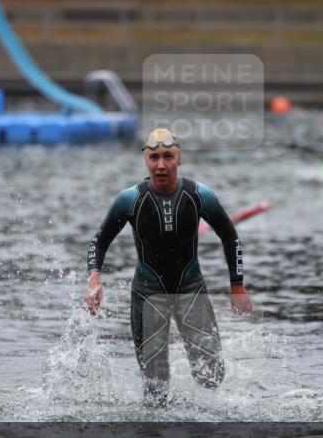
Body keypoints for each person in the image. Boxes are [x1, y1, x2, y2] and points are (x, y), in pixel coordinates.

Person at [84, 128, 253, 406]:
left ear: (179, 159)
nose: (161, 165)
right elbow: (98, 242)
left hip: (190, 289)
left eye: (168, 156)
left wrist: (237, 285)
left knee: (212, 376)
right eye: (154, 157)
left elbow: (229, 235)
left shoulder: (200, 195)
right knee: (155, 393)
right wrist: (94, 280)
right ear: (146, 160)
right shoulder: (129, 200)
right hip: (148, 294)